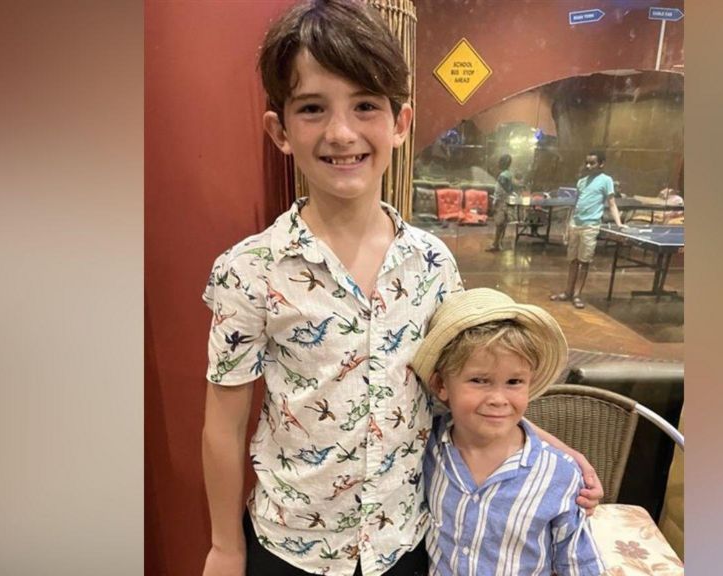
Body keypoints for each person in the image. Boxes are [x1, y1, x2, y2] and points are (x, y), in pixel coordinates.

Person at [200, 2, 602, 575]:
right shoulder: (250, 269)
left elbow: (463, 378)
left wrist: (535, 438)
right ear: (280, 130)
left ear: (400, 123)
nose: (341, 132)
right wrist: (224, 545)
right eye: (312, 108)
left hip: (407, 541)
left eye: (365, 105)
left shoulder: (434, 263)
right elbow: (224, 422)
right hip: (291, 545)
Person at [411, 288, 604, 575]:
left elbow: (577, 564)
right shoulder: (427, 449)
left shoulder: (559, 476)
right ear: (441, 385)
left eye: (514, 381)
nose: (498, 398)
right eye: (479, 380)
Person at [551, 151, 623, 309]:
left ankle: (577, 295)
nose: (589, 166)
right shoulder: (582, 181)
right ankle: (567, 292)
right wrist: (567, 226)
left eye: (593, 163)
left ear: (602, 164)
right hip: (575, 224)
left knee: (584, 262)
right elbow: (576, 205)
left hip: (591, 226)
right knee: (572, 261)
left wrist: (619, 223)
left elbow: (612, 203)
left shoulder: (606, 180)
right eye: (587, 163)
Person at [485, 154, 516, 252]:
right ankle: (499, 243)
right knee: (503, 224)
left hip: (501, 203)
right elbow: (510, 189)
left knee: (499, 224)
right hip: (506, 202)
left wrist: (495, 204)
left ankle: (496, 244)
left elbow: (500, 191)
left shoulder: (503, 176)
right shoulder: (509, 174)